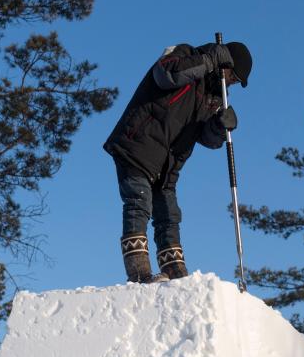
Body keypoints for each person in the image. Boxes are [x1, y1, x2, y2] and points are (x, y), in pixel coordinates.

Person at [103, 40, 253, 283]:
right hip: (138, 144)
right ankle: (139, 274)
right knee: (138, 202)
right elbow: (166, 75)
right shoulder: (186, 55)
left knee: (169, 215)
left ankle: (175, 273)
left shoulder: (214, 96)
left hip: (168, 163)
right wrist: (209, 60)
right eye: (233, 75)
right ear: (224, 62)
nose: (232, 82)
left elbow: (206, 137)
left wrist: (219, 126)